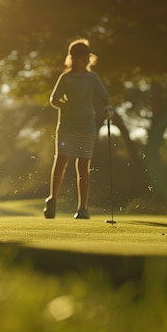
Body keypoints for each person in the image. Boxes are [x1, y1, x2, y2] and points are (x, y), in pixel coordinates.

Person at [44, 39, 113, 219]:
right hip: (67, 125)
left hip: (87, 125)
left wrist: (108, 108)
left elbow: (104, 97)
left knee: (83, 166)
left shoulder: (93, 78)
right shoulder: (66, 78)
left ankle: (83, 207)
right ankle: (52, 200)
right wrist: (62, 105)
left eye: (85, 56)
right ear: (73, 58)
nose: (84, 60)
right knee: (61, 162)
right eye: (80, 57)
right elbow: (54, 99)